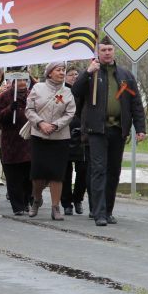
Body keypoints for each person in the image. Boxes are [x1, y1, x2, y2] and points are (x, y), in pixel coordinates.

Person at [72, 37, 146, 226]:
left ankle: (109, 210)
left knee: (114, 171)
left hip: (118, 130)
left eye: (109, 49)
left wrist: (140, 128)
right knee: (98, 170)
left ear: (114, 51)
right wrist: (88, 73)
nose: (106, 53)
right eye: (103, 50)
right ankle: (99, 213)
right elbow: (76, 92)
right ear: (98, 52)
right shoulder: (92, 73)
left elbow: (136, 103)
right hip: (97, 130)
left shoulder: (125, 75)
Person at [25, 62, 76, 220]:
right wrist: (41, 123)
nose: (62, 73)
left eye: (63, 70)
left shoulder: (67, 91)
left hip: (60, 137)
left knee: (57, 173)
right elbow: (29, 109)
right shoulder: (37, 88)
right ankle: (37, 199)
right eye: (58, 70)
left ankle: (55, 207)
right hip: (39, 135)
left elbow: (70, 112)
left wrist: (55, 125)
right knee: (38, 173)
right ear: (49, 73)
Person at [0, 78, 32, 215]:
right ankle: (18, 206)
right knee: (14, 176)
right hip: (11, 142)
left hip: (29, 141)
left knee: (28, 175)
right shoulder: (3, 97)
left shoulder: (32, 94)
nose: (22, 83)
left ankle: (27, 201)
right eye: (18, 80)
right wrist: (10, 110)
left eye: (24, 80)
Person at [61, 66, 88, 215]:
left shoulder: (84, 91)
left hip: (81, 135)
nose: (74, 77)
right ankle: (66, 202)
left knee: (83, 170)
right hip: (64, 133)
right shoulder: (61, 92)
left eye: (76, 74)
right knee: (65, 171)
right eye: (70, 75)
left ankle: (78, 198)